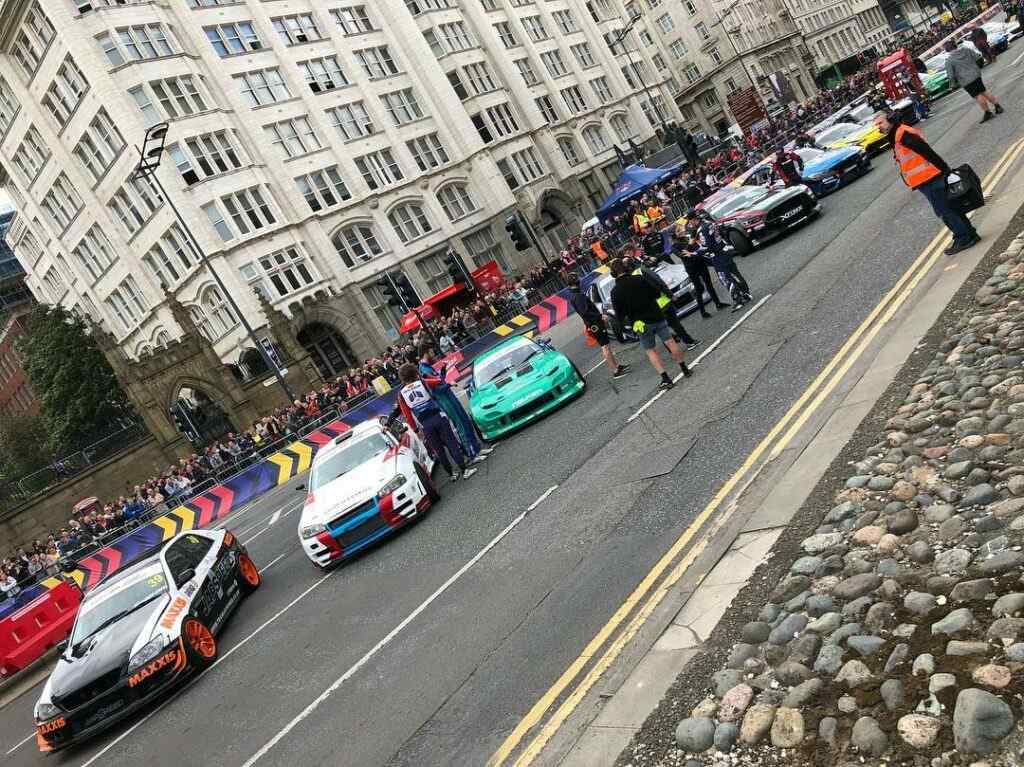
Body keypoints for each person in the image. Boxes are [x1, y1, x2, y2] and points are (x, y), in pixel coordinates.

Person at [875, 111, 979, 256]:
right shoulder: (897, 134)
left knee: (945, 211)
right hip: (926, 179)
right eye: (876, 125)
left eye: (880, 123)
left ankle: (964, 238)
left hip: (930, 178)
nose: (878, 127)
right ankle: (969, 234)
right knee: (950, 208)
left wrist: (945, 169)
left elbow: (927, 151)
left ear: (890, 119)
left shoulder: (902, 134)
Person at [609, 258, 692, 391]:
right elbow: (656, 293)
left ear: (613, 273)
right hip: (656, 315)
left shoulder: (615, 292)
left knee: (651, 351)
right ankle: (684, 369)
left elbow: (620, 315)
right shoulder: (639, 278)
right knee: (670, 342)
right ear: (626, 268)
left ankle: (666, 378)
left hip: (640, 323)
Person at [395, 363, 483, 482]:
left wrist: (416, 430)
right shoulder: (422, 382)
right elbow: (437, 381)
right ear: (414, 372)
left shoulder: (401, 394)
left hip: (425, 424)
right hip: (438, 417)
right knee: (452, 443)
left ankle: (451, 474)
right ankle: (464, 470)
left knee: (439, 450)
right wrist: (436, 376)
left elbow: (407, 415)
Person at [417, 346, 493, 460]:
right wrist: (449, 384)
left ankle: (477, 449)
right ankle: (472, 455)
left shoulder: (428, 368)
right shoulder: (424, 370)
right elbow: (436, 391)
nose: (433, 354)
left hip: (449, 396)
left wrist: (443, 370)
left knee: (465, 420)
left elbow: (439, 381)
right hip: (445, 400)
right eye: (431, 352)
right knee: (461, 425)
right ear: (425, 353)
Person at [623, 255, 701, 350]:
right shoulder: (642, 270)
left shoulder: (630, 279)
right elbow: (658, 282)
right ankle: (689, 342)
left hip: (652, 308)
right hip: (663, 302)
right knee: (675, 324)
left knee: (662, 330)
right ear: (633, 263)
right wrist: (670, 295)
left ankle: (672, 349)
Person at [565, 272, 631, 379]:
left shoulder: (574, 295)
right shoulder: (578, 296)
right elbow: (586, 312)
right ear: (576, 281)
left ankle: (616, 366)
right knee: (605, 346)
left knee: (606, 346)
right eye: (578, 279)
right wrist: (600, 316)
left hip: (593, 323)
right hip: (594, 324)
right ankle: (615, 370)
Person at [688, 211, 751, 310]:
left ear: (693, 219)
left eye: (690, 221)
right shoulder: (709, 223)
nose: (690, 223)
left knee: (725, 278)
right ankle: (746, 293)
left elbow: (707, 247)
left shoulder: (702, 230)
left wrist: (694, 253)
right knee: (735, 274)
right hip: (725, 251)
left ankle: (738, 300)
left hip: (717, 257)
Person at [672, 222, 730, 317]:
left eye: (681, 229)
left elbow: (699, 248)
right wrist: (690, 245)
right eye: (678, 231)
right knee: (698, 288)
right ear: (674, 234)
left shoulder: (688, 237)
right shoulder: (674, 246)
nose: (682, 231)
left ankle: (718, 303)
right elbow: (682, 255)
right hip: (691, 268)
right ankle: (703, 312)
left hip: (700, 263)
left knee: (709, 284)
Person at [943, 40, 1002, 123]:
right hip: (976, 74)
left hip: (966, 80)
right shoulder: (966, 50)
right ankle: (997, 106)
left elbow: (951, 75)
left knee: (977, 95)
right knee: (984, 91)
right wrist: (976, 68)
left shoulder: (949, 61)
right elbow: (978, 57)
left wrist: (952, 85)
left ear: (947, 50)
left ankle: (988, 112)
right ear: (955, 45)